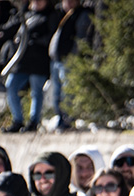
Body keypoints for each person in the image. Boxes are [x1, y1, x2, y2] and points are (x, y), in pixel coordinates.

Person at [3, 0, 54, 133]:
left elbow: (51, 37)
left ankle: (33, 122)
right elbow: (10, 29)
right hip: (21, 61)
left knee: (36, 92)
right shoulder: (25, 14)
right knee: (11, 86)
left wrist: (35, 41)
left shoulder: (50, 16)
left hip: (39, 61)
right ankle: (17, 120)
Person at [47, 0, 93, 130]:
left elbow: (81, 38)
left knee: (67, 92)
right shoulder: (60, 14)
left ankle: (68, 119)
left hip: (69, 60)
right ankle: (60, 118)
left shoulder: (82, 14)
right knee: (57, 92)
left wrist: (73, 58)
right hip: (56, 59)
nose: (69, 3)